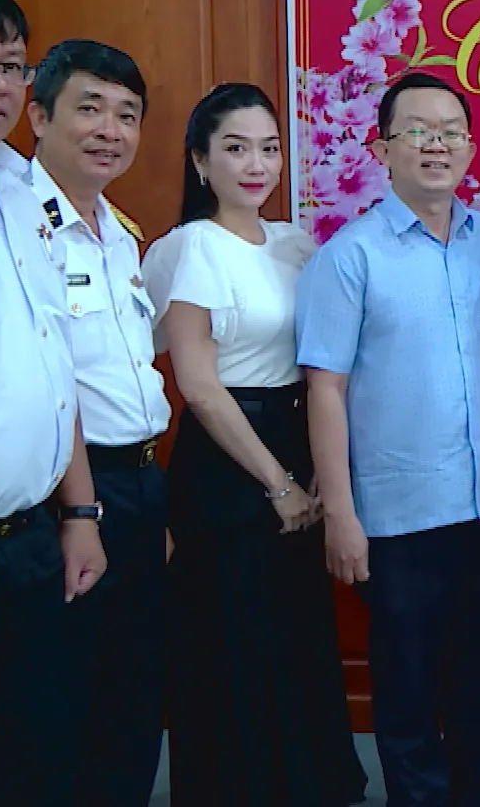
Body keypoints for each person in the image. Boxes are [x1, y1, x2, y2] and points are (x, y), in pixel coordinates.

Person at [142, 83, 365, 807]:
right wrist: (278, 483)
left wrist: (321, 469)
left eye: (269, 148)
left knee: (294, 629)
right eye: (236, 149)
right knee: (231, 636)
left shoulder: (296, 244)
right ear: (200, 161)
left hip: (297, 436)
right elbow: (200, 388)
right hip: (229, 461)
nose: (257, 164)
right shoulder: (189, 248)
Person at [297, 72, 480, 807]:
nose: (435, 145)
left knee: (479, 686)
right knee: (409, 692)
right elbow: (325, 389)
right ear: (381, 148)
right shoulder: (350, 256)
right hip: (397, 516)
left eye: (450, 132)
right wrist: (340, 514)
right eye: (417, 131)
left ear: (470, 148)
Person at [0, 0, 106, 807]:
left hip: (27, 541)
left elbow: (54, 369)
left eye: (10, 66)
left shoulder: (21, 191)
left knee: (27, 763)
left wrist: (80, 513)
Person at [28, 39, 172, 807]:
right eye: (90, 109)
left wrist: (151, 498)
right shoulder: (18, 229)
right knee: (68, 695)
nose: (110, 130)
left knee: (135, 688)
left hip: (139, 482)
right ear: (39, 115)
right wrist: (80, 510)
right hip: (68, 493)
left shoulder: (120, 232)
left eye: (127, 115)